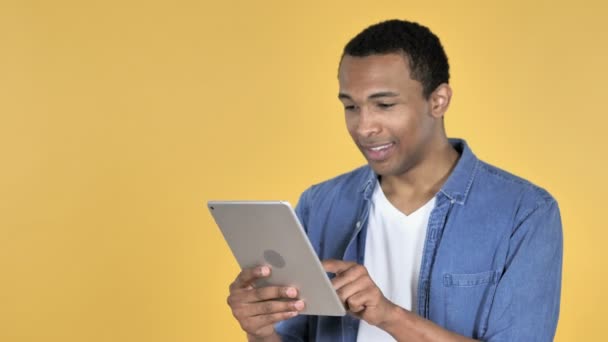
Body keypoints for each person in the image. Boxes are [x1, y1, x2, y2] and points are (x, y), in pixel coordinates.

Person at [226, 19, 563, 341]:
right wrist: (260, 332)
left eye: (384, 104)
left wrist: (389, 316)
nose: (364, 127)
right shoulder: (320, 205)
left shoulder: (525, 212)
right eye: (351, 107)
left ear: (438, 100)